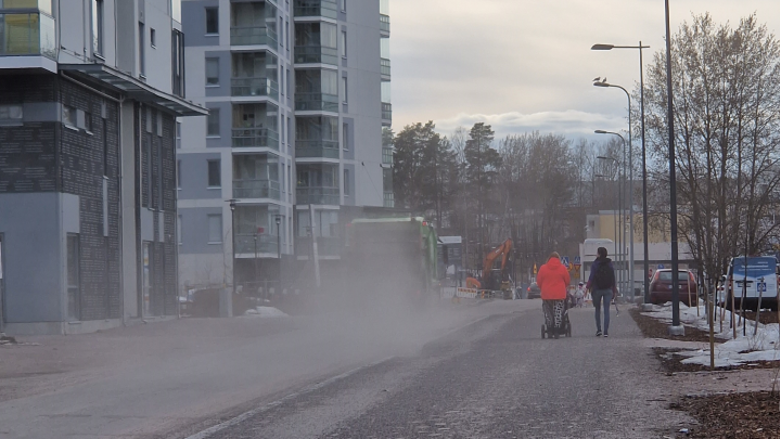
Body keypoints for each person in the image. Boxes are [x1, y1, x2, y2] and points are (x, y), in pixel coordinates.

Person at [536, 251, 571, 339]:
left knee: (548, 312)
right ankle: (557, 329)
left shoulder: (543, 268)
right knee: (558, 312)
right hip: (559, 294)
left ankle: (549, 328)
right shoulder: (563, 268)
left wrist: (543, 288)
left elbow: (539, 282)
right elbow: (567, 281)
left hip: (546, 294)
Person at [586, 247, 618, 337]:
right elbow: (613, 277)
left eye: (597, 253)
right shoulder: (609, 264)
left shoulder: (595, 264)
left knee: (597, 309)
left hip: (597, 289)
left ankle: (599, 330)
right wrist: (614, 289)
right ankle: (606, 332)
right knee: (606, 310)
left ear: (599, 254)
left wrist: (587, 287)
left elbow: (591, 276)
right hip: (608, 289)